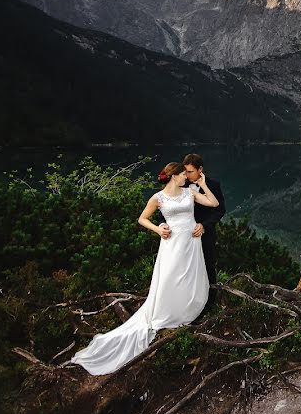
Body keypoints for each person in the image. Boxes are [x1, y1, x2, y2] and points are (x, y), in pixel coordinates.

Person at [70, 161, 220, 376]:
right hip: (171, 242)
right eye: (182, 175)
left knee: (189, 276)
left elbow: (213, 204)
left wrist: (203, 184)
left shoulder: (190, 193)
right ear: (174, 176)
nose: (186, 177)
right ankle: (167, 311)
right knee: (169, 277)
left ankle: (187, 309)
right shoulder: (157, 198)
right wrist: (158, 229)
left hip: (191, 241)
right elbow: (142, 219)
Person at [182, 153, 225, 308]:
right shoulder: (181, 184)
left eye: (190, 171)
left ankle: (210, 301)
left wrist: (204, 225)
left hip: (206, 233)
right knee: (187, 267)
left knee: (208, 265)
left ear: (200, 169)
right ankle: (189, 300)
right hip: (185, 235)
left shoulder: (213, 185)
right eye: (185, 171)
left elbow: (220, 210)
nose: (187, 175)